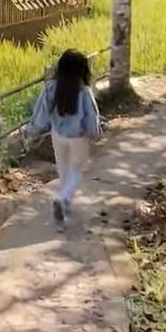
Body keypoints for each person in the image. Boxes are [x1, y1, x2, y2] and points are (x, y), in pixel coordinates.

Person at [25, 49, 100, 223]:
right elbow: (91, 115)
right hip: (78, 137)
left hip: (57, 135)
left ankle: (64, 201)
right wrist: (94, 132)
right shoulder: (84, 91)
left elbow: (41, 113)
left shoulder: (51, 87)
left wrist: (30, 130)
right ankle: (63, 199)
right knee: (77, 170)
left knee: (63, 169)